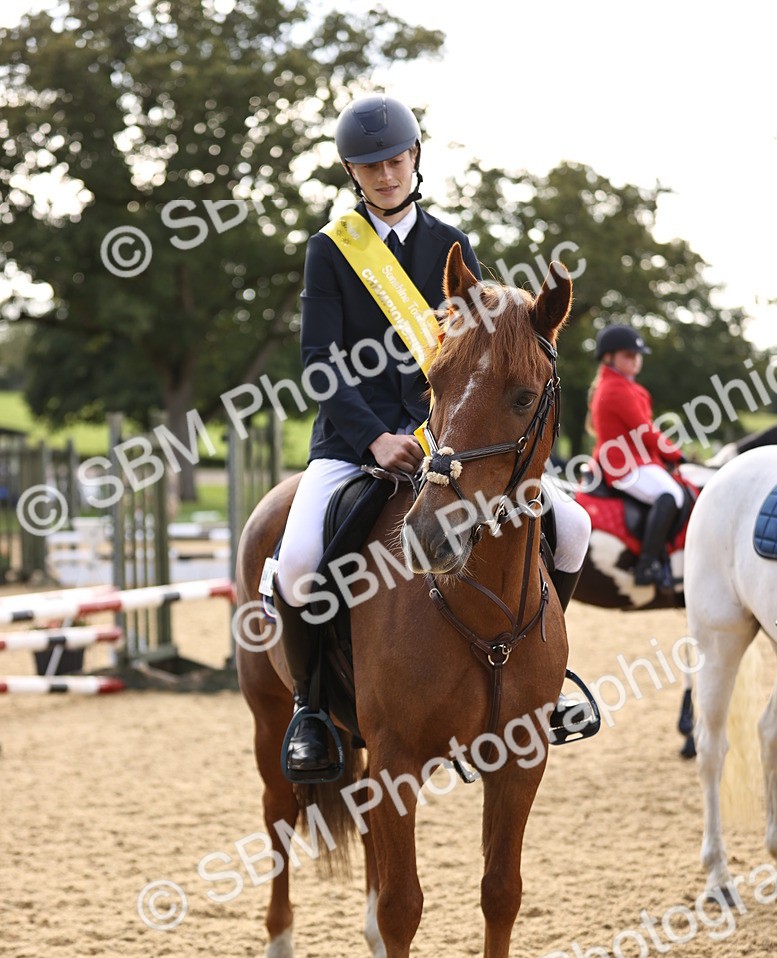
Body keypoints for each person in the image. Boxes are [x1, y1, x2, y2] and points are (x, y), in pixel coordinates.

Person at [274, 94, 591, 774]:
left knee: (576, 527)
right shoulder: (330, 252)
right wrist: (372, 440)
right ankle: (312, 707)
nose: (385, 175)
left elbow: (482, 358)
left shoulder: (452, 244)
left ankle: (544, 677)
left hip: (452, 439)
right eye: (370, 166)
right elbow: (318, 363)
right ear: (350, 173)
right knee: (299, 564)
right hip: (352, 446)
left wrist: (436, 434)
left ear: (415, 157)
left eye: (395, 160)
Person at [588, 324, 685, 588]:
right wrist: (676, 454)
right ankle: (647, 565)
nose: (636, 360)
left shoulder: (623, 386)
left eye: (637, 355)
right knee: (671, 495)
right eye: (628, 355)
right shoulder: (616, 390)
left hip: (636, 460)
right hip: (623, 465)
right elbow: (645, 431)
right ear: (609, 357)